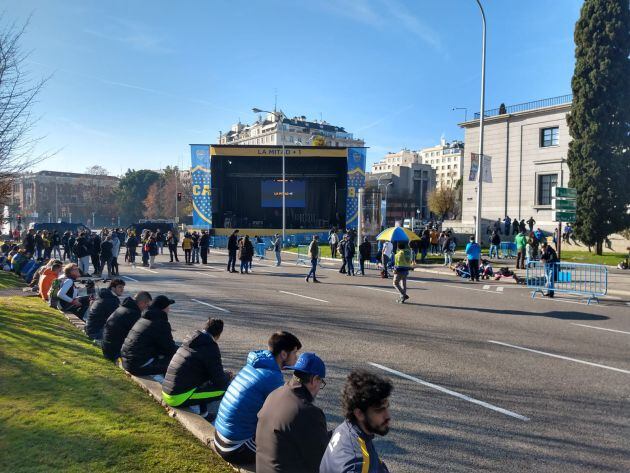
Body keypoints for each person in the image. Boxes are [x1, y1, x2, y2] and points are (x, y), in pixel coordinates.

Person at [214, 331, 302, 465]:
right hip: (235, 448)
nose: (297, 357)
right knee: (292, 451)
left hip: (220, 438)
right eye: (295, 353)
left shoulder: (256, 365)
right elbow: (284, 417)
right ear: (283, 354)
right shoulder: (272, 377)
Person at [256, 352, 329, 473]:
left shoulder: (275, 394)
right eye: (321, 382)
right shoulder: (308, 412)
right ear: (314, 379)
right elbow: (323, 461)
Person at [320, 369, 393, 473]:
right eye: (379, 410)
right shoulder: (358, 465)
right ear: (359, 414)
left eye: (386, 407)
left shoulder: (345, 428)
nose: (387, 416)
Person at [162, 318, 232, 421]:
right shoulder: (210, 347)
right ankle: (223, 420)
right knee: (225, 389)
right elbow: (219, 381)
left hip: (166, 391)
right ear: (218, 335)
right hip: (177, 397)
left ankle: (204, 413)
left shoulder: (190, 341)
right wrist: (227, 376)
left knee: (203, 379)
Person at [120, 295, 178, 376]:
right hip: (138, 366)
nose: (169, 310)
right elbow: (169, 348)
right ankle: (169, 386)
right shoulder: (160, 323)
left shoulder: (143, 318)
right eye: (168, 307)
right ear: (163, 308)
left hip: (127, 361)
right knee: (178, 362)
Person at [101, 291, 152, 361]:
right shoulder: (133, 313)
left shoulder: (124, 308)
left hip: (107, 347)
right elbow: (139, 336)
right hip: (115, 352)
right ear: (142, 302)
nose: (147, 308)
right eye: (147, 305)